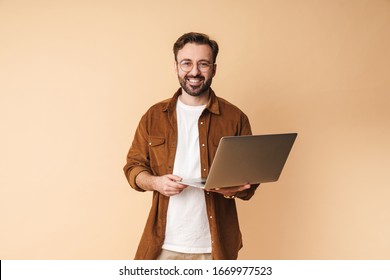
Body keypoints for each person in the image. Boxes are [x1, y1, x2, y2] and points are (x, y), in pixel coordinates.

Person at [123, 32, 259, 260]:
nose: (194, 72)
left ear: (213, 69)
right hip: (163, 243)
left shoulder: (236, 118)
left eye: (203, 64)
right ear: (176, 67)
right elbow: (133, 168)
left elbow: (251, 180)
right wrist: (156, 182)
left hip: (214, 247)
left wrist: (233, 189)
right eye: (186, 63)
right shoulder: (153, 116)